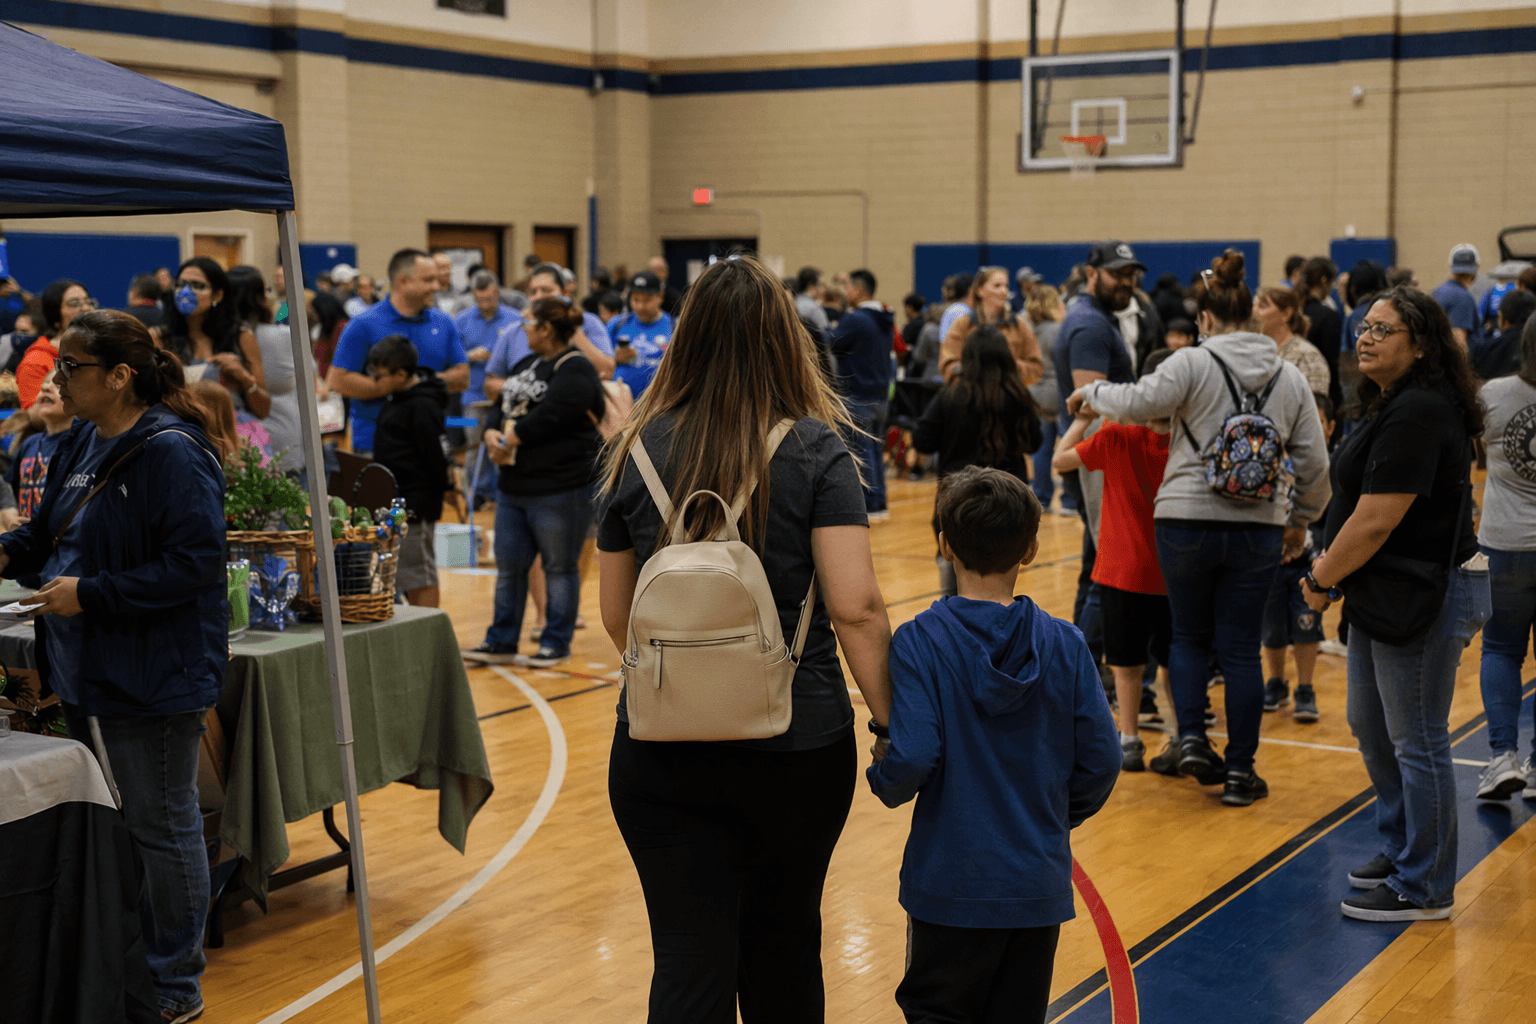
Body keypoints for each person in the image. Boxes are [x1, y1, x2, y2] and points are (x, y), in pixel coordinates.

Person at [596, 253, 892, 1022]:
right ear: (785, 340)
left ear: (685, 338)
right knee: (784, 952)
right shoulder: (819, 450)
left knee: (687, 963)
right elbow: (856, 607)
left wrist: (690, 668)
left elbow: (617, 615)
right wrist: (892, 723)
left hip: (660, 746)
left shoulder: (634, 448)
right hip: (797, 742)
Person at [0, 309, 227, 1023]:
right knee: (124, 821)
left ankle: (176, 984)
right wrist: (6, 551)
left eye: (72, 367)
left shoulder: (172, 452)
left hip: (154, 670)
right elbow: (48, 532)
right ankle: (132, 961)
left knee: (163, 824)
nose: (57, 379)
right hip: (85, 664)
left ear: (121, 376)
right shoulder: (80, 440)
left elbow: (195, 565)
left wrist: (90, 594)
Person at [1068, 248, 1331, 807]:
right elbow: (1315, 466)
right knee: (1239, 649)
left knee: (1187, 636)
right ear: (1254, 317)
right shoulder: (1288, 377)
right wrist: (1299, 521)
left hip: (1184, 519)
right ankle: (1240, 773)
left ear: (1205, 318)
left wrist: (1091, 393)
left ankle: (1189, 738)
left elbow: (1137, 402)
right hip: (1258, 524)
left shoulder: (1190, 363)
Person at [868, 465, 1118, 1024]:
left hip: (949, 882)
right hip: (1035, 882)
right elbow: (1103, 760)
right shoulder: (1067, 643)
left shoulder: (919, 641)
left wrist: (883, 778)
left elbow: (912, 756)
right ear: (1030, 549)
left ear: (944, 546)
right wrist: (1051, 817)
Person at [1299, 286, 1488, 922]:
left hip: (1424, 593)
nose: (1366, 337)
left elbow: (1377, 518)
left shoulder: (1418, 412)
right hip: (1388, 592)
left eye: (1383, 329)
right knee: (1371, 724)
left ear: (1422, 344)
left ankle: (1424, 885)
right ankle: (1404, 845)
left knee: (1417, 738)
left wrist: (1321, 577)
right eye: (1364, 326)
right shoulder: (1396, 402)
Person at [463, 297, 605, 667]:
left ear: (546, 329)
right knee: (509, 569)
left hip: (559, 487)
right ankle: (501, 641)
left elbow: (556, 413)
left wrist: (513, 437)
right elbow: (502, 404)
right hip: (513, 487)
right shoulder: (526, 364)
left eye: (529, 323)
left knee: (559, 567)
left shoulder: (575, 367)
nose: (522, 329)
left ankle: (555, 642)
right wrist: (492, 432)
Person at [1053, 406, 1171, 772]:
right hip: (1172, 569)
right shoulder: (1185, 440)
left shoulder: (1115, 436)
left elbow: (1060, 460)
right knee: (1174, 660)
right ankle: (1184, 737)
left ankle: (1130, 740)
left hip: (1121, 569)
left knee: (1125, 663)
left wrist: (1082, 418)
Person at [914, 326, 1043, 595]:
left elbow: (922, 440)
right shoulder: (1018, 396)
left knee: (954, 592)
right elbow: (1035, 442)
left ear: (967, 358)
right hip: (1009, 507)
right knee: (1001, 592)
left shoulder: (950, 396)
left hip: (958, 504)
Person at [1475, 314, 1536, 803]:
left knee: (1500, 650)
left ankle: (1502, 758)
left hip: (1504, 545)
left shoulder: (1493, 395)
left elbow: (1469, 453)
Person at [325, 247, 468, 455]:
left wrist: (417, 383)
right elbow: (337, 381)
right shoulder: (363, 324)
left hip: (429, 442)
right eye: (428, 280)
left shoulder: (444, 323)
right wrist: (388, 385)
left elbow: (462, 377)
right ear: (402, 281)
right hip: (375, 445)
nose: (437, 286)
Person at [1260, 392, 1337, 722]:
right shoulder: (1272, 459)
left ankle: (1305, 688)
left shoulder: (1327, 467)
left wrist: (1324, 554)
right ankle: (1276, 682)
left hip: (1309, 564)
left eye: (1318, 423)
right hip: (1272, 562)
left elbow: (1331, 518)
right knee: (1272, 630)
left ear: (1330, 426)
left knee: (1307, 627)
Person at [369, 335, 451, 608]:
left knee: (420, 574)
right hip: (397, 500)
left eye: (379, 376)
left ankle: (428, 630)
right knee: (405, 573)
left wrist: (447, 488)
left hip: (417, 502)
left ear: (401, 374)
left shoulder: (423, 405)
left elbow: (435, 456)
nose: (374, 381)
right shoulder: (397, 398)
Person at [484, 262, 616, 398]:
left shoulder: (587, 323)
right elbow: (491, 383)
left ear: (564, 293)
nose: (538, 297)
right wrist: (527, 390)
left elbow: (607, 371)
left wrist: (569, 327)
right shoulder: (516, 329)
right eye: (533, 292)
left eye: (546, 290)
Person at [162, 256, 271, 421]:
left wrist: (244, 378)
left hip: (233, 429)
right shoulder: (161, 338)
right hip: (183, 430)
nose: (185, 292)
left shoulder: (240, 336)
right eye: (180, 284)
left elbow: (263, 410)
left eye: (197, 285)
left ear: (217, 295)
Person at [829, 268, 896, 520]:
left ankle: (869, 503)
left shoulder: (856, 318)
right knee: (875, 449)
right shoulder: (884, 317)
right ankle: (879, 501)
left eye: (848, 287)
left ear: (857, 290)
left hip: (858, 393)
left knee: (861, 451)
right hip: (880, 395)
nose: (845, 292)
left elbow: (832, 342)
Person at [226, 265, 304, 474]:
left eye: (280, 276)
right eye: (275, 277)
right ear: (260, 296)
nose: (278, 281)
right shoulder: (280, 331)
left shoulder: (286, 309)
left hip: (256, 439)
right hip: (269, 438)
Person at [938, 266, 1044, 384]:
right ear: (980, 290)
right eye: (997, 286)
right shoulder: (963, 324)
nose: (1004, 291)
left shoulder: (1018, 325)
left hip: (1010, 393)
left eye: (1006, 286)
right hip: (971, 393)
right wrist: (972, 369)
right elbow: (947, 366)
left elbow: (1037, 369)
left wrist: (1011, 365)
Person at [19, 279, 95, 408]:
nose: (86, 308)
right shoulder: (36, 361)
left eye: (88, 302)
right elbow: (34, 412)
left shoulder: (102, 351)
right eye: (74, 304)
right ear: (55, 315)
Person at [6, 378, 72, 521]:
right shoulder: (30, 443)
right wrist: (9, 513)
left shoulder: (81, 443)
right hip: (25, 531)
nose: (47, 388)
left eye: (58, 385)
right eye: (44, 384)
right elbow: (9, 487)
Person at [1025, 284, 1065, 512]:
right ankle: (1070, 500)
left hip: (1034, 392)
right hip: (1056, 392)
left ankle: (1041, 497)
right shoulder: (1058, 330)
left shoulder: (1029, 329)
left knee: (1041, 449)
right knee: (1068, 446)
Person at [454, 270, 520, 407]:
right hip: (472, 394)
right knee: (467, 420)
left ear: (498, 293)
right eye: (480, 301)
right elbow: (452, 357)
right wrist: (469, 356)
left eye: (489, 300)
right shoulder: (461, 320)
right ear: (473, 295)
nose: (485, 305)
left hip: (507, 392)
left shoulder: (516, 319)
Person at [608, 269, 673, 399]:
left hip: (660, 403)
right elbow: (600, 364)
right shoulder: (616, 324)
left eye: (647, 300)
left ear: (660, 296)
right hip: (621, 404)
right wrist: (614, 359)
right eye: (635, 300)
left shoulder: (673, 327)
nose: (640, 306)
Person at [1255, 286, 1330, 396]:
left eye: (1262, 306)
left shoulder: (1307, 355)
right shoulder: (1254, 351)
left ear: (1286, 314)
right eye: (1253, 306)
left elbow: (1316, 403)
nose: (1254, 312)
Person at [1298, 256, 1343, 404]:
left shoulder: (1293, 311)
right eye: (1332, 282)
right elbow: (1332, 362)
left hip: (1294, 387)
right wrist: (1337, 400)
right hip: (1319, 394)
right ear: (1324, 280)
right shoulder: (1328, 316)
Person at [1431, 244, 1484, 351]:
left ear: (1451, 266)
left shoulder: (1438, 291)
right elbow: (1459, 341)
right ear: (1476, 268)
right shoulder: (1463, 297)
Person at [795, 265, 830, 337]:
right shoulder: (813, 307)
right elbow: (826, 334)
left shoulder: (794, 302)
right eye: (820, 284)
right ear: (811, 285)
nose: (823, 289)